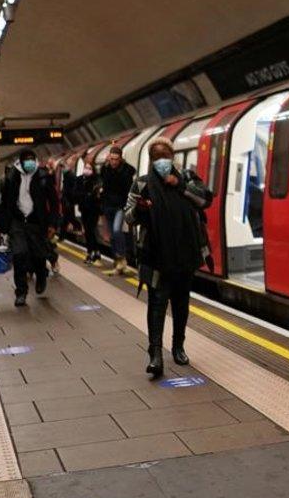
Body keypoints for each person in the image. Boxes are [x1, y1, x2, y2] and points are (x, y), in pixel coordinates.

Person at [125, 137, 213, 378]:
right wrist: (141, 209)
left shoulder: (187, 177)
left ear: (172, 158)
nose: (161, 162)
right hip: (155, 254)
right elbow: (128, 216)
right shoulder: (141, 184)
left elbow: (205, 199)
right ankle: (155, 354)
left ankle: (178, 346)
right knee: (156, 303)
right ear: (151, 161)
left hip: (185, 252)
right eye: (156, 158)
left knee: (181, 303)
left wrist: (179, 185)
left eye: (165, 157)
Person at [0, 149, 59, 307]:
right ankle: (21, 292)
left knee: (38, 255)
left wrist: (53, 224)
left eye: (33, 159)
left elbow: (54, 202)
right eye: (28, 160)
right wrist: (0, 228)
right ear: (21, 162)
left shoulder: (43, 176)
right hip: (17, 221)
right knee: (19, 255)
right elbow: (4, 204)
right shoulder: (12, 177)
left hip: (37, 221)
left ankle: (41, 275)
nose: (31, 162)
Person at [100, 145, 136, 275]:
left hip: (120, 206)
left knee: (116, 230)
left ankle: (122, 258)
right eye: (111, 159)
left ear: (120, 159)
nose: (113, 162)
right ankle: (118, 261)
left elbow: (128, 189)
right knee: (112, 237)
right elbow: (104, 185)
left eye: (116, 159)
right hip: (108, 206)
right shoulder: (106, 169)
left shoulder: (127, 171)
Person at [78, 164, 103, 264]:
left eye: (89, 168)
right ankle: (96, 251)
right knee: (89, 230)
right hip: (84, 209)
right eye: (86, 168)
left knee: (89, 229)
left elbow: (98, 195)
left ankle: (90, 252)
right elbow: (75, 193)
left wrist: (89, 195)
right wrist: (86, 195)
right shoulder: (79, 180)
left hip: (94, 209)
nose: (87, 170)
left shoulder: (97, 180)